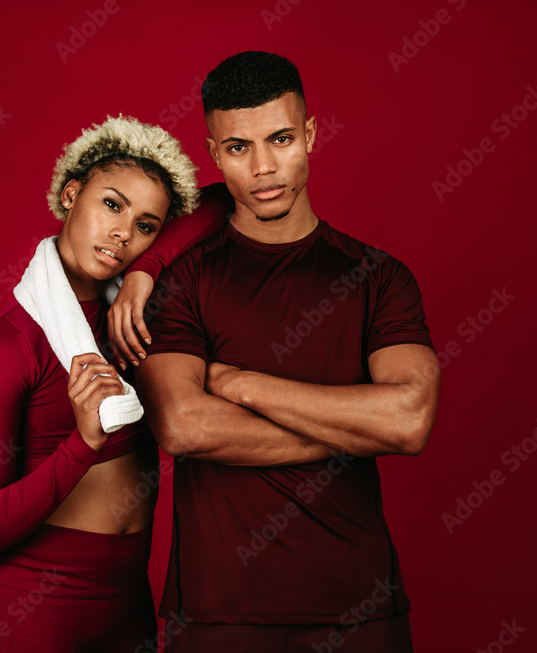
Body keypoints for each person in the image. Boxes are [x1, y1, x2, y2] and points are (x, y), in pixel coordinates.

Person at [119, 51, 441, 652]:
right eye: (239, 148)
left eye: (282, 138)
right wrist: (355, 426)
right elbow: (184, 425)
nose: (265, 168)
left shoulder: (378, 277)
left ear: (311, 136)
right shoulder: (182, 281)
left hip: (361, 605)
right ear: (215, 155)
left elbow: (408, 419)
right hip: (219, 612)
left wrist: (242, 384)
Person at [0, 115, 212, 652]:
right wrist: (83, 445)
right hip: (33, 616)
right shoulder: (8, 347)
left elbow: (224, 201)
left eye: (146, 225)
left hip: (128, 610)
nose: (124, 232)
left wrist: (147, 269)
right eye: (112, 205)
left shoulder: (134, 317)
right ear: (72, 194)